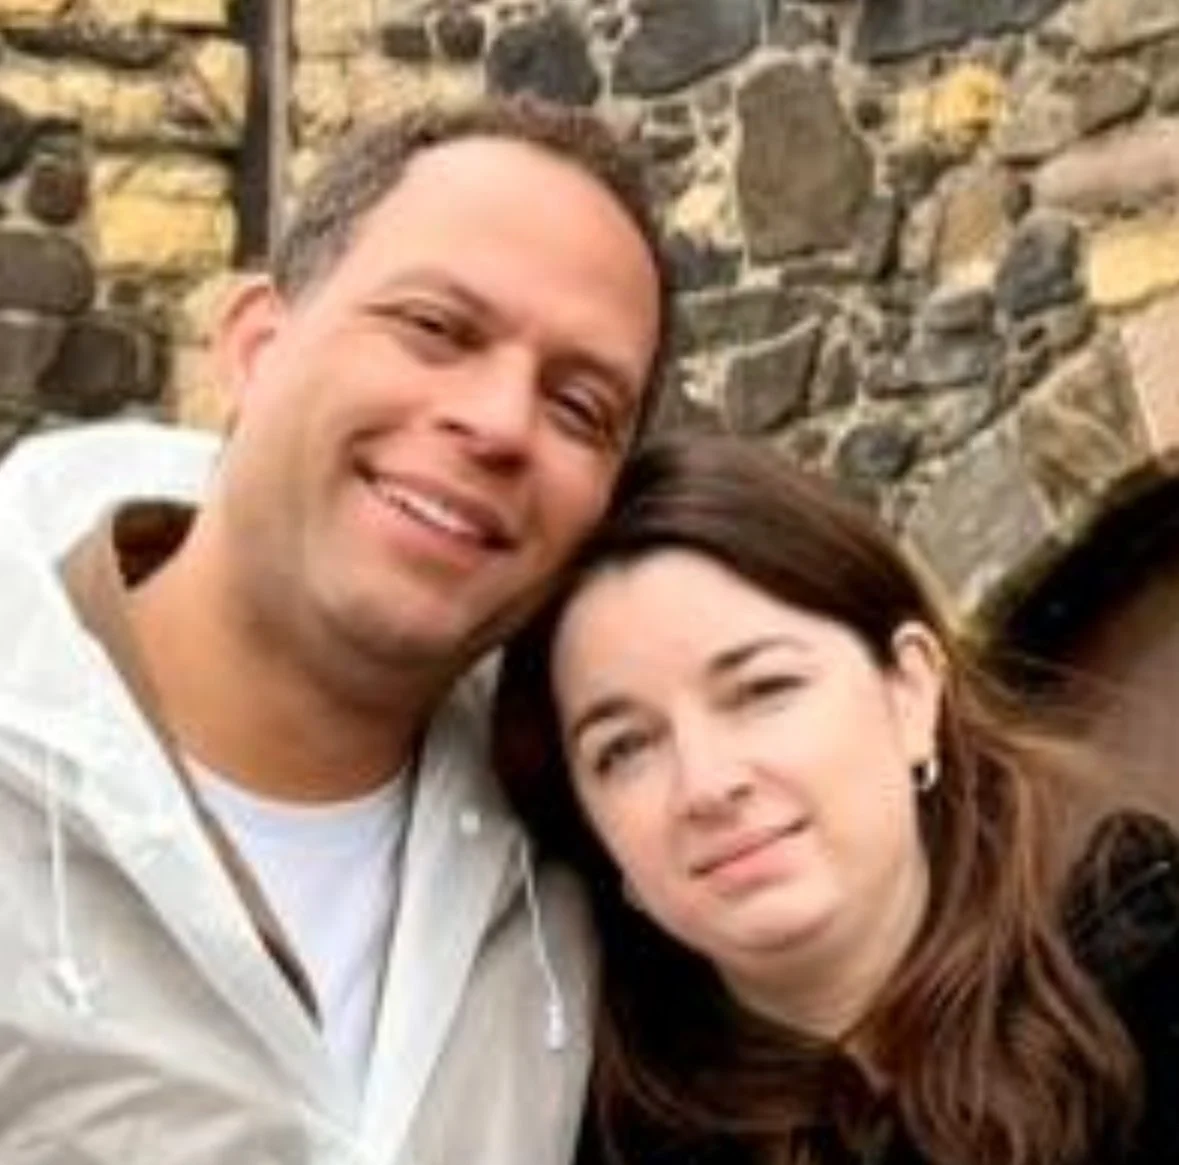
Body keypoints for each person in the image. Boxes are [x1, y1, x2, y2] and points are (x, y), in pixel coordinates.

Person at [0, 96, 667, 1163]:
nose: (500, 422)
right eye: (436, 329)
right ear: (256, 346)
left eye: (580, 407)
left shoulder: (597, 860)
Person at [493, 435, 1179, 1165]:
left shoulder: (1146, 976)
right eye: (625, 748)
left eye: (763, 689)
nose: (706, 785)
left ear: (910, 690)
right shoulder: (570, 1136)